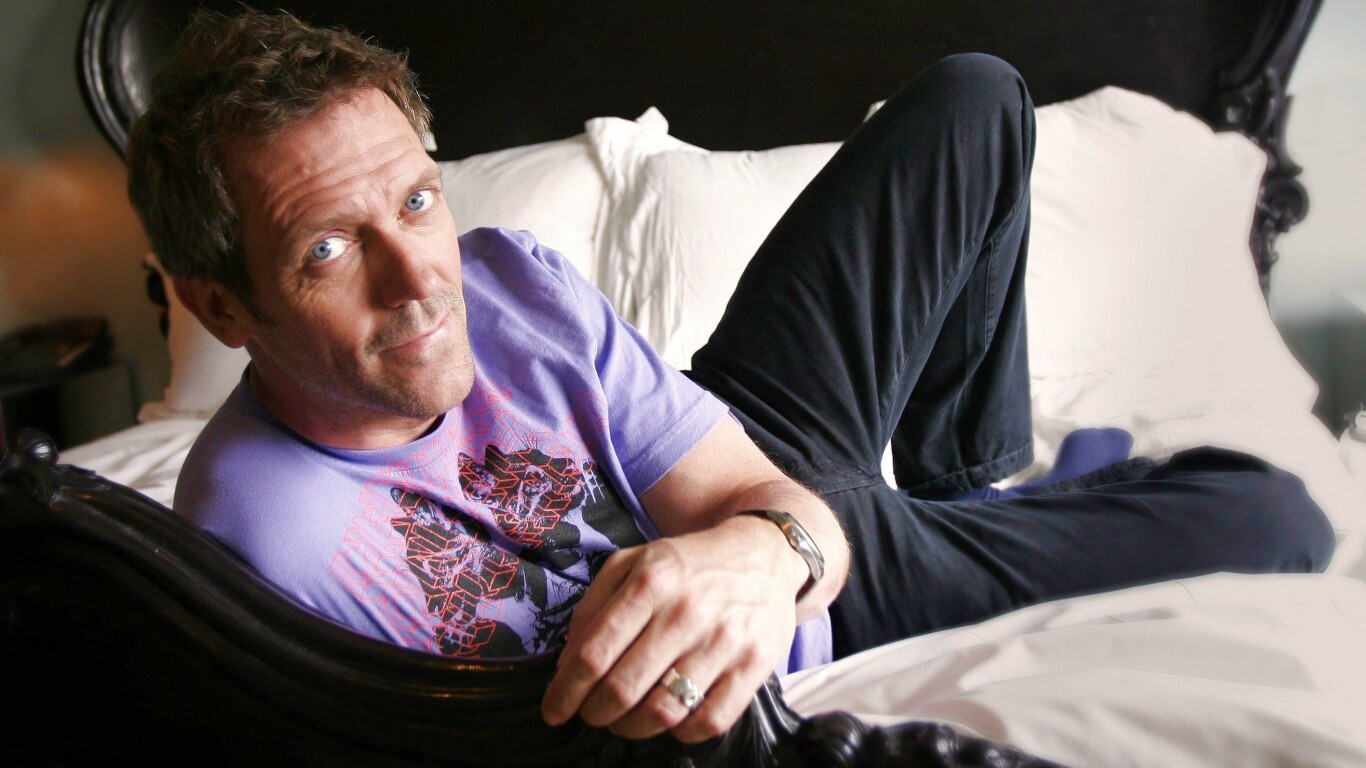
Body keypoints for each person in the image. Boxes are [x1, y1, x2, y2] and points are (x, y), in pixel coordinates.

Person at [126, 8, 1336, 746]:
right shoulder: (263, 541)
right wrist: (777, 561)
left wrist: (766, 548)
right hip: (823, 614)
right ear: (220, 305)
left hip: (745, 467)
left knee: (976, 98)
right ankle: (971, 526)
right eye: (328, 251)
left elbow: (753, 491)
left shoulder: (504, 278)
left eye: (417, 199)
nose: (420, 279)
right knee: (1275, 517)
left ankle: (964, 485)